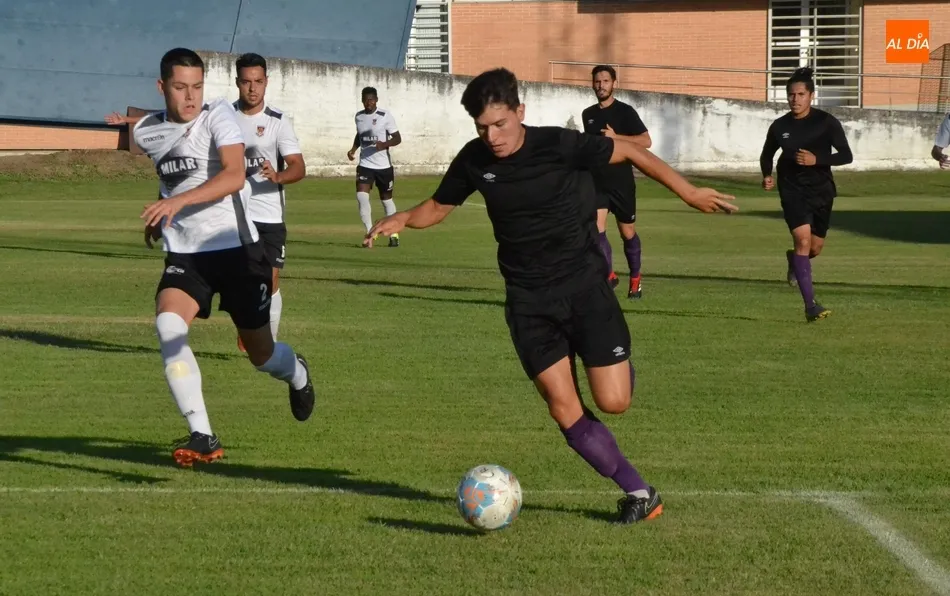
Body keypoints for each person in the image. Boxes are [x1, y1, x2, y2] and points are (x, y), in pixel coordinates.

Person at [366, 68, 737, 524]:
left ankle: (615, 363)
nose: (492, 136)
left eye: (500, 124)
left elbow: (630, 151)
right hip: (528, 303)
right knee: (564, 409)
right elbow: (439, 205)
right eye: (482, 128)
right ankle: (640, 493)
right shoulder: (474, 160)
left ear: (520, 112)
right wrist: (403, 218)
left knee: (614, 402)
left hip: (584, 288)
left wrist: (689, 192)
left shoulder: (559, 145)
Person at [133, 48, 315, 467]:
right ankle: (203, 434)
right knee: (167, 325)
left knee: (261, 355)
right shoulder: (148, 131)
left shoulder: (219, 116)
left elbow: (233, 175)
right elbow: (171, 175)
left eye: (196, 86)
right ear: (162, 87)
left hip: (237, 252)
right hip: (186, 255)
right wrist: (162, 212)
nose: (190, 96)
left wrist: (176, 204)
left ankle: (298, 372)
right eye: (180, 87)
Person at [759, 67, 853, 323]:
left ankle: (795, 260)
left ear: (811, 95)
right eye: (791, 94)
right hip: (792, 190)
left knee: (814, 248)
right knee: (802, 240)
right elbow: (767, 155)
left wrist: (817, 159)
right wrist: (767, 175)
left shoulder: (826, 122)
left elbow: (846, 155)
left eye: (801, 94)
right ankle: (810, 305)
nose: (795, 99)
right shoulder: (780, 126)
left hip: (822, 191)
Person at [230, 52, 306, 352]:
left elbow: (298, 167)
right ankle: (250, 327)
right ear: (237, 82)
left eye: (258, 81)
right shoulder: (223, 117)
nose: (253, 88)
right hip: (235, 215)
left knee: (271, 279)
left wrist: (278, 176)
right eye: (246, 82)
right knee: (242, 280)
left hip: (270, 215)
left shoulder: (278, 121)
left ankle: (267, 343)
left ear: (266, 82)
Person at [582, 65, 652, 298]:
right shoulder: (588, 114)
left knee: (627, 232)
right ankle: (609, 276)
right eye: (597, 81)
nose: (601, 85)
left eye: (605, 81)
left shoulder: (625, 112)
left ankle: (635, 278)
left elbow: (646, 141)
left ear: (614, 83)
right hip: (597, 182)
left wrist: (616, 137)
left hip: (621, 182)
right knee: (595, 231)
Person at [347, 86, 402, 247]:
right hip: (365, 164)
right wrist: (353, 149)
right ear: (362, 101)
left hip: (383, 166)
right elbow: (360, 135)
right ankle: (370, 233)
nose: (368, 103)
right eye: (365, 100)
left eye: (371, 99)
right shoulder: (359, 117)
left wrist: (384, 144)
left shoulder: (385, 116)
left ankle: (393, 234)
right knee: (361, 196)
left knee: (386, 200)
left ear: (376, 100)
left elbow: (397, 138)